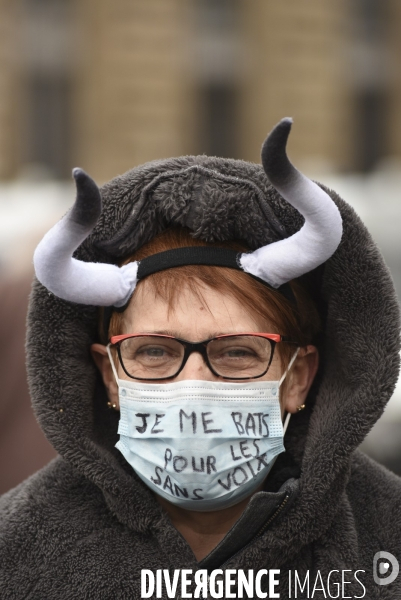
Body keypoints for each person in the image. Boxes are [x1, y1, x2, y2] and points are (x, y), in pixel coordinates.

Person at [1, 118, 400, 598]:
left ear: (299, 378)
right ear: (109, 375)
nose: (193, 384)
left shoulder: (386, 536)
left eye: (235, 351)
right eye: (153, 351)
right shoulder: (17, 553)